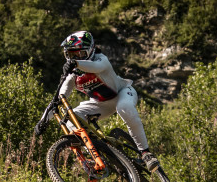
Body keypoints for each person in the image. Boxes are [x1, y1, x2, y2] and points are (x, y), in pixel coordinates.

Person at [34, 30, 159, 171]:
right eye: (70, 55)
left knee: (124, 107)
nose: (74, 58)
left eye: (79, 54)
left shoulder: (100, 59)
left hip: (122, 93)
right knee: (70, 119)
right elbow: (58, 100)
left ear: (91, 50)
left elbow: (96, 68)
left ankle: (146, 153)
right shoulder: (72, 76)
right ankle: (98, 152)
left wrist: (75, 62)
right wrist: (43, 120)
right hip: (101, 104)